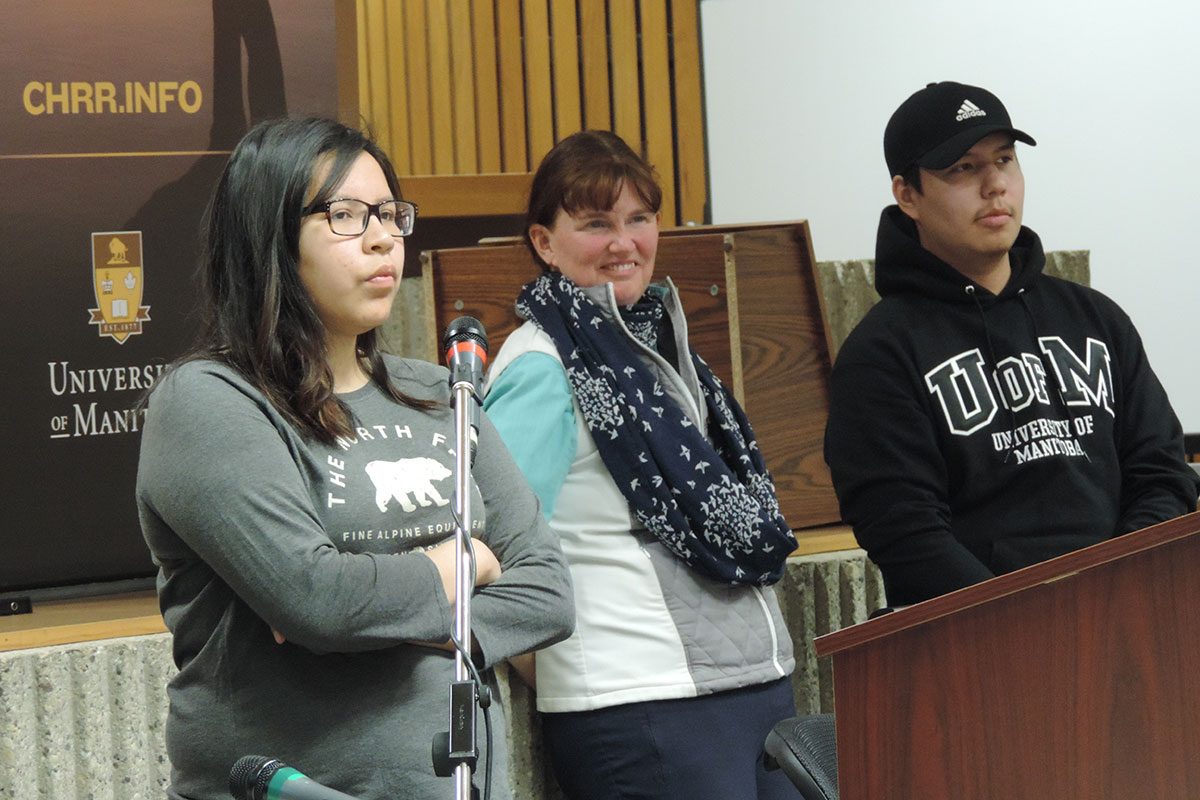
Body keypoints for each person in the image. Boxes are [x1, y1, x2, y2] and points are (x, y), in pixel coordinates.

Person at [136, 117, 574, 800]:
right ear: (271, 239)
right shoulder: (208, 403)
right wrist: (467, 563)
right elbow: (318, 601)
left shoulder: (442, 393)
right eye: (344, 215)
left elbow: (549, 591)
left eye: (390, 214)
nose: (381, 238)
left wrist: (393, 618)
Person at [482, 130, 801, 800]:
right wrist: (577, 672)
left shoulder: (656, 344)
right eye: (596, 223)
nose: (624, 242)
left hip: (751, 685)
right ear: (544, 242)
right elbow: (493, 552)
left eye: (639, 218)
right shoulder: (541, 365)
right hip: (641, 704)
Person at [824, 81, 1200, 607]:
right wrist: (1024, 618)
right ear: (908, 194)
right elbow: (903, 529)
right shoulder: (881, 354)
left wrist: (1120, 586)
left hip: (1126, 619)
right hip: (982, 645)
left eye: (1005, 160)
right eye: (963, 168)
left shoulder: (1096, 319)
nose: (995, 185)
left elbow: (1162, 474)